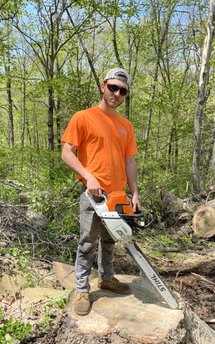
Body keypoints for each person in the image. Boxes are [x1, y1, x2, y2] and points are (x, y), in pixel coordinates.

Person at [61, 67, 140, 316]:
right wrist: (88, 176)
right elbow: (66, 153)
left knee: (109, 240)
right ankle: (82, 289)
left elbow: (130, 162)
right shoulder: (83, 117)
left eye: (122, 91)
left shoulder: (126, 125)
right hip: (93, 195)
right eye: (113, 87)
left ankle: (106, 277)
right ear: (103, 86)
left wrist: (135, 193)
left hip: (118, 195)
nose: (117, 93)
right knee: (87, 242)